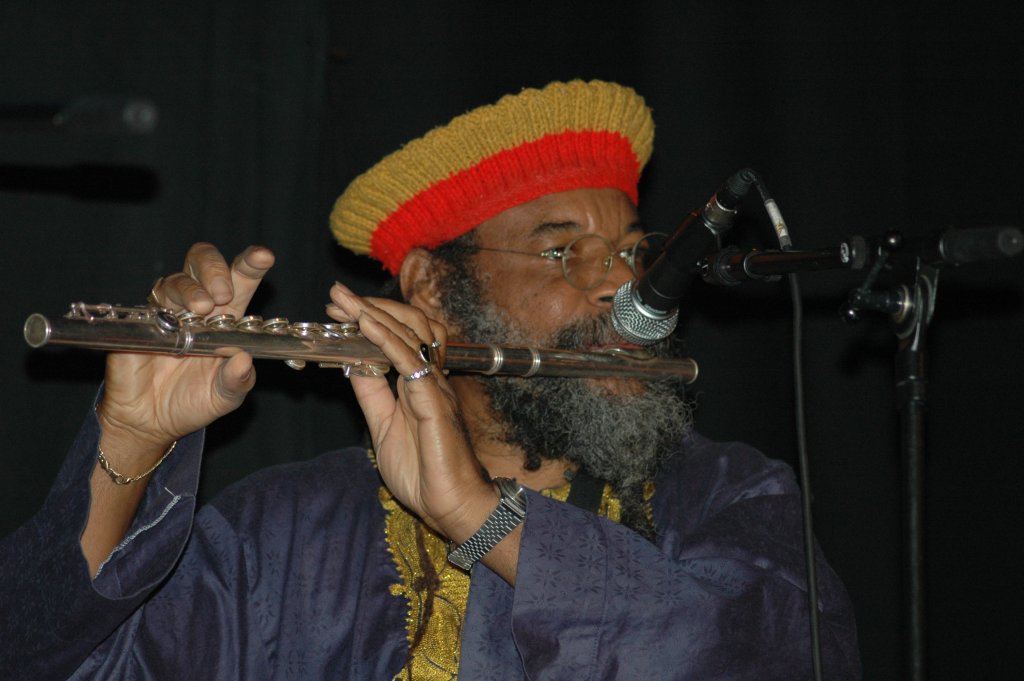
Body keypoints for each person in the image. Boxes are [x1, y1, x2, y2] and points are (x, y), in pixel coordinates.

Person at [0, 80, 860, 679]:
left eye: (635, 253)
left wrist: (482, 519)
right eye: (566, 250)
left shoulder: (728, 493)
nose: (624, 288)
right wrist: (133, 442)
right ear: (432, 290)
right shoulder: (293, 530)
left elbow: (768, 657)